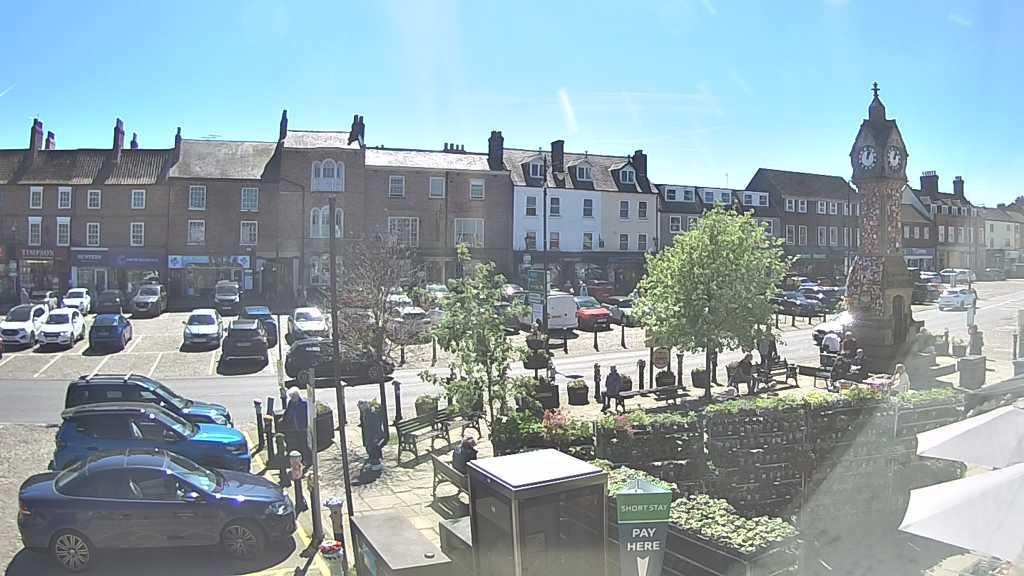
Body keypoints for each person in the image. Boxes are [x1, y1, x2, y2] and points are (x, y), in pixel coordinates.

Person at [282, 387, 310, 464]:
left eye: (293, 397)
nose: (292, 398)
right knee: (298, 444)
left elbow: (306, 415)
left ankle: (307, 459)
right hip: (294, 427)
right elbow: (288, 413)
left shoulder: (304, 403)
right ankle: (300, 460)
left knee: (304, 444)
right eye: (291, 397)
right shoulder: (291, 402)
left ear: (297, 395)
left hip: (302, 427)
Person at [358, 400, 387, 471]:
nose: (360, 409)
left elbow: (374, 426)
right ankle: (373, 462)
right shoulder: (366, 413)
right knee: (371, 449)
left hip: (374, 435)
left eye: (360, 408)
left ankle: (377, 464)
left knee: (374, 449)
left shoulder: (369, 414)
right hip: (372, 435)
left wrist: (375, 437)